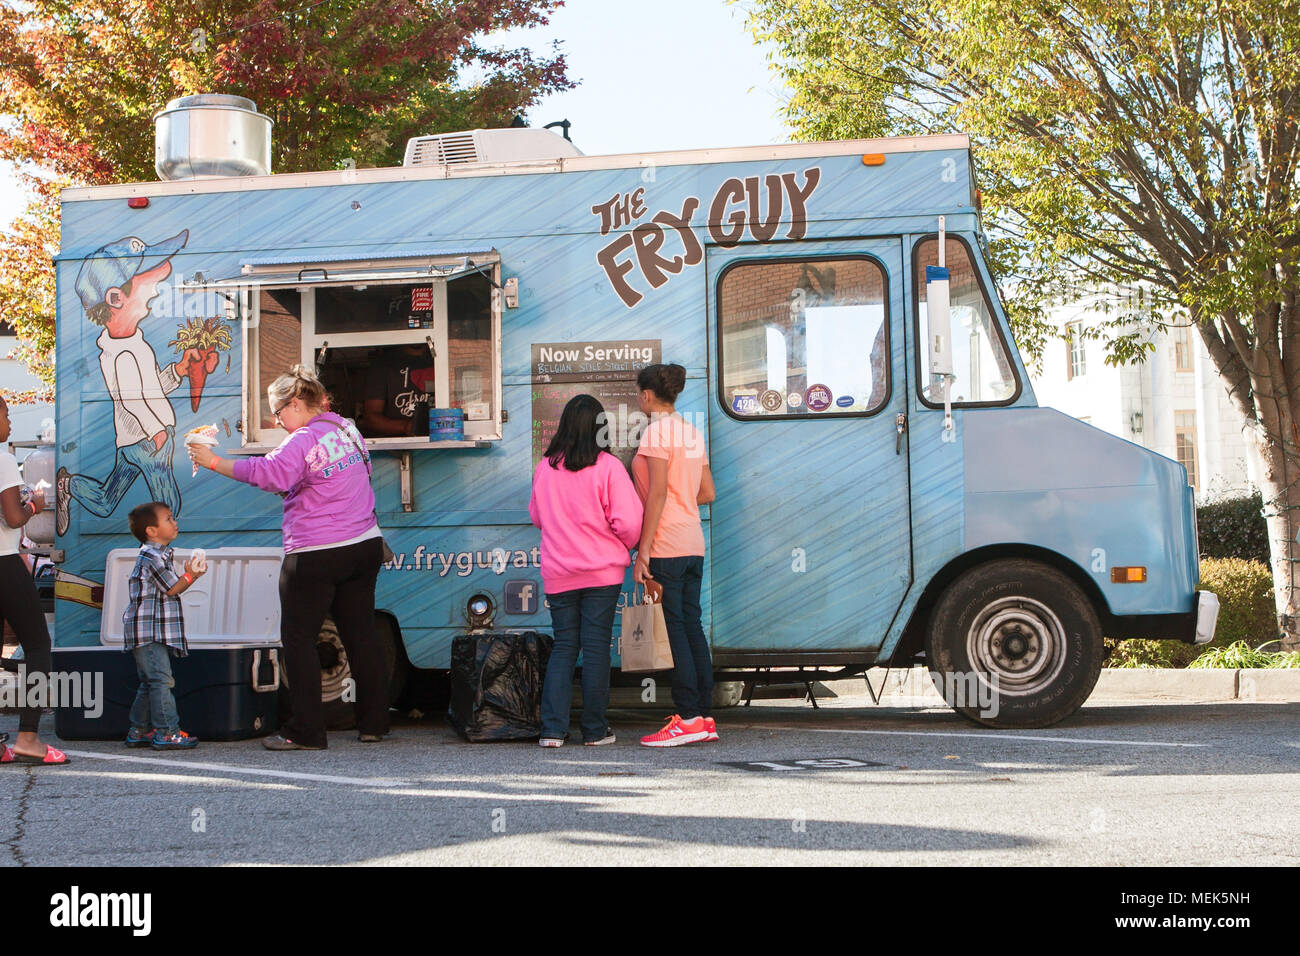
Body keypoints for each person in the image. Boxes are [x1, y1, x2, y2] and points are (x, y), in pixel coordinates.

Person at [187, 365, 389, 751]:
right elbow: (328, 479)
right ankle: (375, 721)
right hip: (364, 543)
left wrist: (212, 461)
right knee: (360, 632)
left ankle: (306, 731)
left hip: (316, 551)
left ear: (296, 403)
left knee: (298, 639)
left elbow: (270, 474)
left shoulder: (302, 439)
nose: (278, 422)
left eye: (279, 413)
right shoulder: (347, 429)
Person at [54, 229, 207, 536]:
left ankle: (68, 484)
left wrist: (176, 371)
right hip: (146, 441)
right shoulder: (121, 353)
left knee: (106, 500)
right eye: (150, 285)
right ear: (115, 298)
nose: (154, 292)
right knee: (167, 505)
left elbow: (148, 389)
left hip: (133, 440)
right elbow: (130, 399)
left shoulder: (133, 343)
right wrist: (156, 432)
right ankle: (163, 555)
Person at [530, 395, 643, 747]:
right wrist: (621, 543)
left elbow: (536, 516)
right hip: (602, 574)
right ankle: (594, 731)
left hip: (559, 573)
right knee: (595, 649)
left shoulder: (545, 466)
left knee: (565, 646)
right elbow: (629, 523)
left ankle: (552, 730)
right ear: (600, 429)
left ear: (563, 426)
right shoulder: (608, 467)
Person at [631, 363, 718, 748]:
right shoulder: (690, 432)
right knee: (692, 625)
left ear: (647, 395)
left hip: (666, 545)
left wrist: (643, 550)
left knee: (675, 629)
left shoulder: (655, 433)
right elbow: (707, 492)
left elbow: (658, 494)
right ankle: (703, 714)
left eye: (639, 394)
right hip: (693, 543)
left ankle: (686, 718)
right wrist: (682, 503)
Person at [0, 396, 67, 765]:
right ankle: (28, 738)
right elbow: (12, 518)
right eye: (6, 415)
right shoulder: (5, 459)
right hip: (3, 563)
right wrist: (34, 506)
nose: (10, 423)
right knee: (39, 647)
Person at [122, 501, 205, 750]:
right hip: (149, 631)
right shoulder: (152, 556)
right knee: (161, 680)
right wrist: (192, 575)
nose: (174, 522)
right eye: (168, 519)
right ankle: (167, 731)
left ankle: (139, 729)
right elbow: (172, 588)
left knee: (150, 681)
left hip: (147, 630)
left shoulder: (157, 554)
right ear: (151, 530)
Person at [360, 344, 435, 437]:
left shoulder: (441, 358)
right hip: (395, 447)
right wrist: (406, 426)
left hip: (441, 443)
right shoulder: (384, 363)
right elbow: (370, 418)